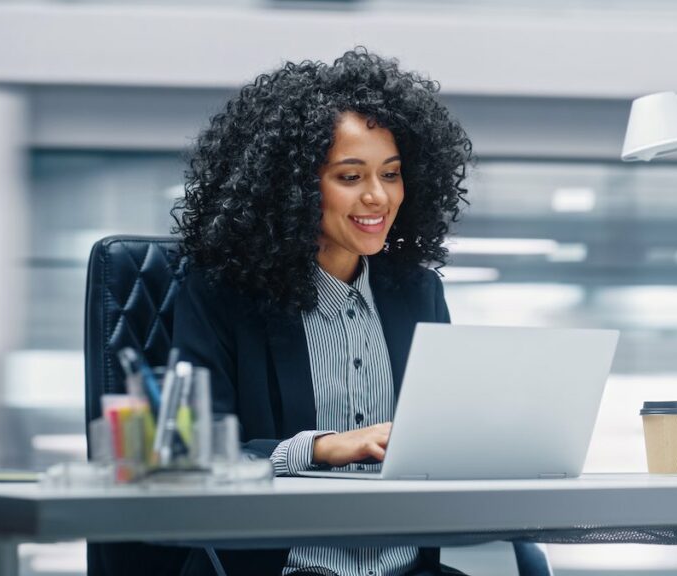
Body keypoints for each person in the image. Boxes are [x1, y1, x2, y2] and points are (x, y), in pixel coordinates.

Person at [170, 48, 473, 576]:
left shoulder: (417, 293)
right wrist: (319, 448)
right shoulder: (223, 294)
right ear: (291, 187)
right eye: (350, 177)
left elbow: (437, 441)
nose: (379, 196)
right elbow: (189, 459)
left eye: (392, 173)